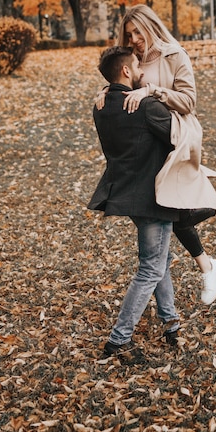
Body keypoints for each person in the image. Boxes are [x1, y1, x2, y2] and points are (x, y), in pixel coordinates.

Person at [96, 4, 216, 304]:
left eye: (139, 31)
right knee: (160, 211)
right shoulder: (133, 58)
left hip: (177, 132)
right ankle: (209, 261)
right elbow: (123, 78)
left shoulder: (174, 54)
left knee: (163, 211)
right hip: (149, 139)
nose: (135, 39)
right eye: (130, 34)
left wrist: (152, 91)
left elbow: (189, 101)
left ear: (152, 25)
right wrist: (107, 89)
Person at [88, 46, 182, 358]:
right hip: (152, 196)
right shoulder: (145, 106)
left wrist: (109, 89)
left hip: (125, 192)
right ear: (127, 71)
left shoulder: (100, 106)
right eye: (137, 65)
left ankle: (171, 323)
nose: (142, 69)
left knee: (159, 261)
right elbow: (177, 137)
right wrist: (156, 96)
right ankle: (118, 340)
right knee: (151, 267)